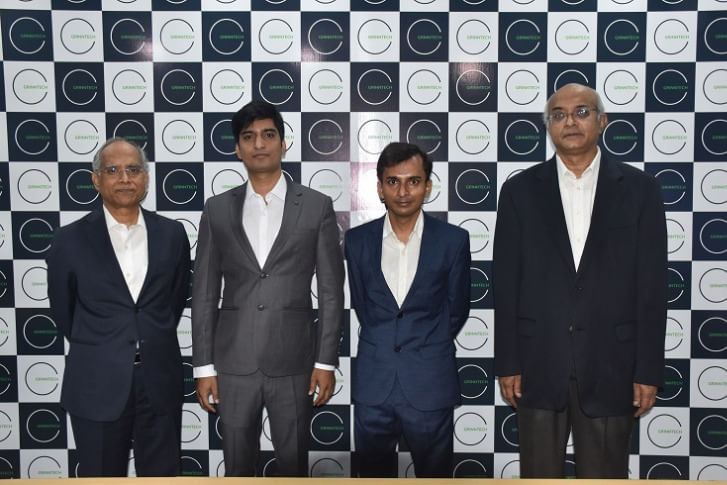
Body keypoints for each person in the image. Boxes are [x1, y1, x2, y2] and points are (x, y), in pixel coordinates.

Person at [494, 83, 667, 478]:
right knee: (538, 476)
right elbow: (506, 283)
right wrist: (508, 362)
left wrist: (648, 370)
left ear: (602, 121)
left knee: (605, 477)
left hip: (613, 366)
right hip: (537, 365)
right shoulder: (519, 191)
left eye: (581, 112)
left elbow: (652, 288)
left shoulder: (640, 190)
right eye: (558, 115)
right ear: (548, 126)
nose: (569, 121)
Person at [192, 99, 345, 477]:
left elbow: (330, 291)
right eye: (249, 137)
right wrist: (203, 366)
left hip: (294, 361)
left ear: (283, 143)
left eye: (268, 135)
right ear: (237, 148)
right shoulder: (216, 209)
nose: (259, 144)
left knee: (293, 465)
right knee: (237, 467)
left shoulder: (316, 206)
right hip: (232, 364)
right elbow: (205, 293)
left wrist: (325, 362)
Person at [46, 138, 191, 477]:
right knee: (100, 477)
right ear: (96, 180)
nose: (125, 178)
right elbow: (65, 312)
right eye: (112, 170)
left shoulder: (172, 234)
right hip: (96, 382)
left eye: (133, 169)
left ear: (146, 178)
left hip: (159, 380)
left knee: (163, 477)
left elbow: (174, 301)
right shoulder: (68, 240)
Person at [345, 142, 471, 478]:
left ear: (427, 186)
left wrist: (425, 343)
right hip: (374, 383)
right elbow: (362, 305)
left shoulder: (453, 240)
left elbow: (457, 309)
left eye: (413, 181)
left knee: (435, 476)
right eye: (393, 181)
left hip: (430, 382)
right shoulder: (356, 241)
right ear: (380, 188)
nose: (403, 192)